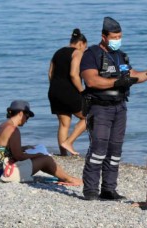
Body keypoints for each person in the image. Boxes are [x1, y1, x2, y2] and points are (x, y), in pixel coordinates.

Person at [80, 16, 147, 201]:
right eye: (114, 37)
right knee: (98, 148)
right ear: (104, 37)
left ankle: (109, 189)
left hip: (120, 107)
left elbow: (134, 76)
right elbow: (91, 80)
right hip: (100, 107)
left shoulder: (120, 55)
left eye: (119, 37)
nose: (117, 40)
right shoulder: (91, 54)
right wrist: (117, 81)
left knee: (115, 150)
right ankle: (90, 190)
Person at [0, 100, 82, 185]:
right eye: (27, 116)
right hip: (6, 172)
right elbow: (18, 156)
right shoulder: (13, 130)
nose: (27, 120)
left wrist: (24, 148)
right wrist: (38, 154)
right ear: (21, 113)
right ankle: (70, 179)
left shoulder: (3, 125)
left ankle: (65, 177)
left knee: (41, 157)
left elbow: (3, 150)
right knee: (46, 159)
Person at [48, 28, 88, 156]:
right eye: (84, 47)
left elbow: (50, 73)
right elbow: (73, 74)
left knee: (64, 123)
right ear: (81, 43)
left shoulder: (58, 52)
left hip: (54, 91)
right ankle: (69, 142)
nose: (84, 50)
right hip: (69, 91)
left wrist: (56, 87)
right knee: (89, 116)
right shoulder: (77, 53)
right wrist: (82, 91)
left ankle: (64, 154)